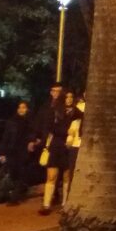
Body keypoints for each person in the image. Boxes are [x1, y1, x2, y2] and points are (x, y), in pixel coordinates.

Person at [32, 83, 75, 215]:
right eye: (66, 97)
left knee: (67, 176)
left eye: (71, 97)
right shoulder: (52, 110)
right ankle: (46, 204)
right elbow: (48, 126)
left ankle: (65, 204)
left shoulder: (74, 111)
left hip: (68, 146)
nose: (68, 99)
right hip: (56, 145)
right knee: (52, 175)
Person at [0, 101, 34, 205]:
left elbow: (33, 134)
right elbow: (5, 137)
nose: (21, 109)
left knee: (21, 173)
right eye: (19, 107)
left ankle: (14, 197)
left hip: (24, 151)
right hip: (12, 151)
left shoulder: (30, 121)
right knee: (13, 173)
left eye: (24, 107)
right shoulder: (11, 122)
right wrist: (2, 153)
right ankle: (17, 193)